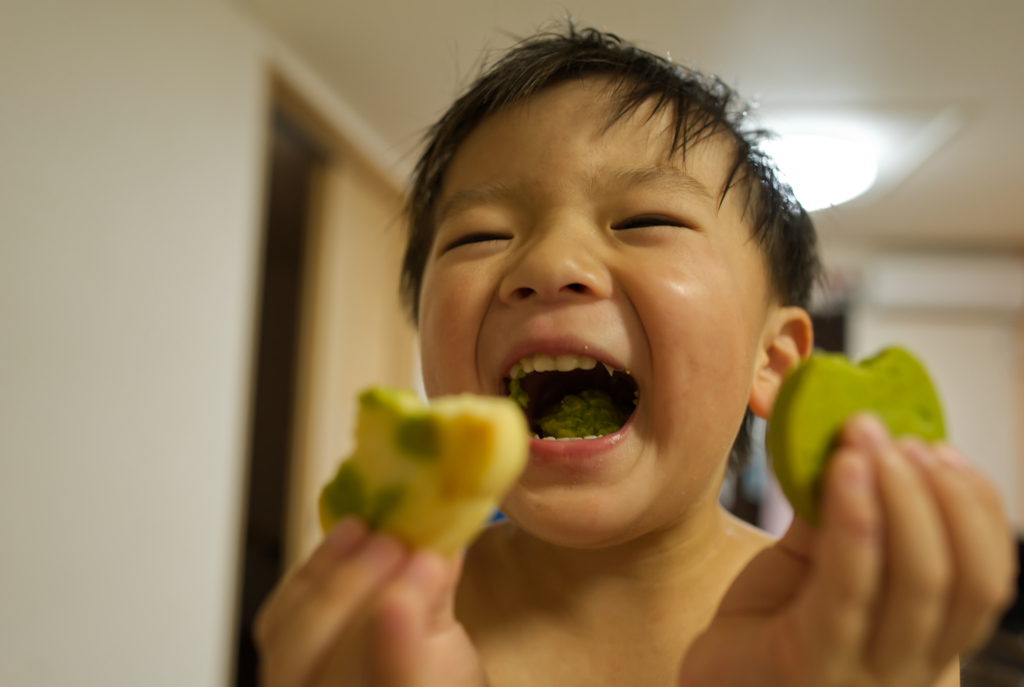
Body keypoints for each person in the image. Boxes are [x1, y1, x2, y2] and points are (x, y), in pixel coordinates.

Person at [253, 26, 1015, 687]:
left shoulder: (844, 627)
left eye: (647, 218)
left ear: (774, 361)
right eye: (479, 234)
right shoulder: (378, 618)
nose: (550, 262)